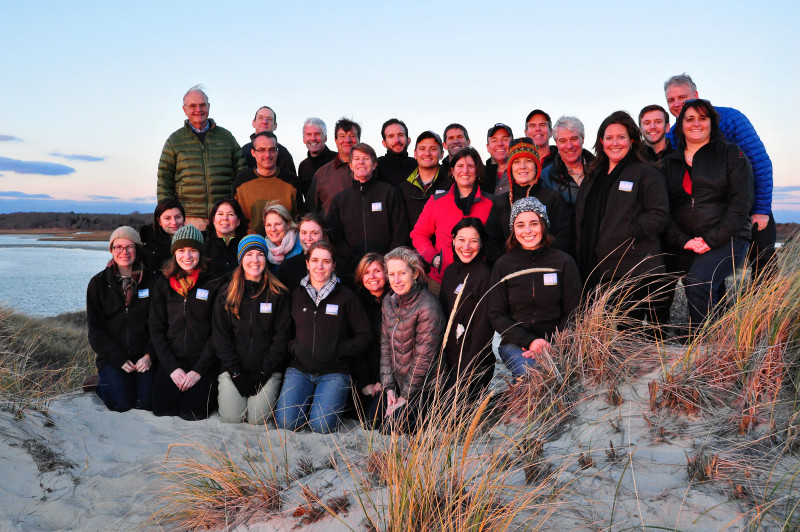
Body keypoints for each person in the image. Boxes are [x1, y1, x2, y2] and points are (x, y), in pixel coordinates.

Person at [663, 73, 775, 285]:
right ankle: (721, 317)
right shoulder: (674, 135)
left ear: (696, 94)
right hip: (709, 215)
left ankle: (765, 316)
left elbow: (759, 162)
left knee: (763, 262)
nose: (677, 103)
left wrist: (760, 209)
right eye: (671, 100)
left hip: (746, 206)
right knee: (711, 275)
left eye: (683, 97)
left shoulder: (730, 118)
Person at [662, 99, 753, 332]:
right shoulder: (669, 162)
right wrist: (684, 240)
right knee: (706, 286)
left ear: (712, 122)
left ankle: (704, 347)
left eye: (703, 118)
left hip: (728, 237)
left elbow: (740, 204)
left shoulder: (732, 154)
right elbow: (663, 210)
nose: (696, 124)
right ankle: (722, 338)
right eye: (690, 119)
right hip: (687, 240)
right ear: (680, 125)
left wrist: (710, 240)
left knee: (699, 282)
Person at [574, 111, 669, 324]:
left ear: (632, 140)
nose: (614, 143)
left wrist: (629, 233)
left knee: (628, 336)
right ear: (601, 141)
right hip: (596, 269)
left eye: (621, 137)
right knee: (603, 336)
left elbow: (659, 214)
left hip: (634, 269)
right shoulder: (593, 175)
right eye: (609, 138)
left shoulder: (645, 172)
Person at [275, 241, 372, 434]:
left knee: (321, 426)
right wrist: (296, 348)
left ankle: (323, 402)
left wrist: (337, 350)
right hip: (299, 370)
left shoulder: (346, 297)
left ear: (333, 265)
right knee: (286, 423)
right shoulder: (295, 296)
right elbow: (283, 332)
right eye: (315, 261)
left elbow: (365, 335)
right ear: (307, 264)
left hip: (334, 372)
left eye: (326, 261)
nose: (320, 267)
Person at [488, 198, 581, 378]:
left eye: (534, 223)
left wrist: (552, 344)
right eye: (520, 225)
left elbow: (573, 311)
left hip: (559, 342)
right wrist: (530, 342)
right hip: (515, 344)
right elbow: (496, 315)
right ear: (513, 230)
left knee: (553, 376)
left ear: (544, 226)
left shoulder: (563, 262)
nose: (528, 231)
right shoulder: (503, 265)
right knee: (534, 375)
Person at [213, 235, 290, 425]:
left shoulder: (278, 293)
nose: (254, 260)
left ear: (266, 258)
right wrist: (236, 373)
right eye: (249, 254)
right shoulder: (226, 293)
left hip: (266, 370)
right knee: (232, 418)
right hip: (234, 370)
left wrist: (264, 372)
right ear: (241, 259)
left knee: (258, 419)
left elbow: (282, 337)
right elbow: (220, 337)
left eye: (259, 254)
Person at [149, 225, 221, 420]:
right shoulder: (163, 284)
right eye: (181, 250)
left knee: (193, 413)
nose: (187, 256)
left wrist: (198, 371)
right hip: (172, 361)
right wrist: (172, 369)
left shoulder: (213, 283)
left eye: (193, 250)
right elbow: (156, 330)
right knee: (162, 409)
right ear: (174, 253)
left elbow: (218, 332)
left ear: (200, 252)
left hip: (203, 363)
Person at [86, 227, 156, 412]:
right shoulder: (98, 283)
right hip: (113, 358)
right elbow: (95, 330)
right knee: (120, 404)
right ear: (111, 250)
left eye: (130, 247)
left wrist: (149, 355)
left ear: (137, 249)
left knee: (146, 403)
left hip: (144, 358)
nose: (124, 252)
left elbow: (159, 324)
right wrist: (118, 359)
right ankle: (98, 384)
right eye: (118, 247)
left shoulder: (152, 281)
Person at [157, 86, 246, 230]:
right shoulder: (174, 141)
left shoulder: (227, 137)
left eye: (202, 105)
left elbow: (242, 175)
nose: (198, 109)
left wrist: (235, 208)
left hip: (224, 220)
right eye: (193, 106)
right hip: (189, 220)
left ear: (209, 107)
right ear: (184, 109)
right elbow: (164, 181)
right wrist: (168, 214)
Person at [410, 147, 495, 295]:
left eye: (471, 166)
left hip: (480, 280)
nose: (465, 171)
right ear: (452, 170)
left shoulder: (491, 203)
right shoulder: (437, 201)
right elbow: (418, 234)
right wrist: (434, 257)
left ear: (478, 170)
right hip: (441, 279)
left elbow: (497, 241)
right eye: (460, 166)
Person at [378, 247, 445, 432]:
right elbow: (385, 345)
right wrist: (389, 387)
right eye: (392, 274)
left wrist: (404, 397)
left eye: (402, 273)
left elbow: (423, 359)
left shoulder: (428, 306)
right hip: (398, 383)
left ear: (414, 273)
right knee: (371, 421)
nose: (397, 280)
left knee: (389, 428)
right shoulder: (388, 301)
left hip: (425, 389)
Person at [327, 143, 409, 281]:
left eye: (366, 158)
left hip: (386, 270)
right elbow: (335, 237)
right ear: (351, 165)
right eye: (357, 159)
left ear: (374, 164)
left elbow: (401, 232)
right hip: (352, 271)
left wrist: (387, 261)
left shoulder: (389, 193)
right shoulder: (340, 200)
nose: (361, 162)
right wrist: (355, 260)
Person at [485, 137, 572, 261]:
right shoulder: (501, 203)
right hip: (511, 271)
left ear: (536, 166)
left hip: (546, 270)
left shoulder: (553, 199)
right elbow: (492, 242)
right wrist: (506, 265)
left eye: (528, 160)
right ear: (510, 168)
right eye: (516, 162)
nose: (523, 167)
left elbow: (563, 239)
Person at [439, 218, 495, 400]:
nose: (466, 246)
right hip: (448, 362)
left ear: (481, 243)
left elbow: (483, 331)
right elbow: (443, 316)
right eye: (462, 239)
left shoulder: (484, 276)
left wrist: (465, 374)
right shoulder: (449, 272)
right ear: (453, 240)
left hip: (472, 364)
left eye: (474, 241)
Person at [234, 131, 301, 234]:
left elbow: (298, 218)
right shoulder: (242, 180)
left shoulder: (291, 181)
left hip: (285, 244)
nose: (267, 154)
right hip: (251, 244)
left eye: (272, 150)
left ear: (277, 152)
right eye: (261, 150)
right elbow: (234, 216)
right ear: (253, 152)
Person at [353, 253, 389, 422]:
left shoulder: (396, 301)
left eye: (377, 271)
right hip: (365, 375)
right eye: (367, 272)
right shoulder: (356, 303)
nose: (372, 277)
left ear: (386, 274)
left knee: (374, 420)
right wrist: (365, 382)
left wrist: (383, 381)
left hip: (389, 377)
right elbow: (357, 347)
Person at [540, 116, 595, 213]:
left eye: (574, 139)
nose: (569, 146)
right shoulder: (546, 177)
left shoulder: (601, 170)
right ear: (556, 143)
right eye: (563, 141)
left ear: (583, 139)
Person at [308, 118, 361, 215]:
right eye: (342, 136)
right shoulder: (321, 174)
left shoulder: (371, 170)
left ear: (359, 140)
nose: (347, 140)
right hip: (331, 229)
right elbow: (311, 212)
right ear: (336, 141)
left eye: (352, 136)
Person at [398, 131, 450, 227]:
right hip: (411, 241)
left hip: (442, 242)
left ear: (442, 154)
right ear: (415, 154)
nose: (427, 153)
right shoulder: (403, 189)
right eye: (422, 149)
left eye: (433, 149)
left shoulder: (451, 185)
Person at [276, 212, 330, 292]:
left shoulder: (337, 266)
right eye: (304, 233)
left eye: (314, 233)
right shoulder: (287, 267)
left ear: (324, 236)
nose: (308, 238)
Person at [240, 106, 297, 175]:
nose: (264, 122)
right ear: (253, 123)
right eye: (261, 118)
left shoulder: (284, 154)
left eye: (269, 119)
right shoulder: (244, 151)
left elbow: (292, 182)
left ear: (275, 126)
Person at [204, 197, 247, 281]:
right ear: (213, 219)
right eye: (220, 214)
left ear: (238, 221)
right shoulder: (203, 242)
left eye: (230, 214)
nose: (225, 218)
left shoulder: (246, 245)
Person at [140, 198, 185, 276]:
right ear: (159, 221)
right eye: (167, 218)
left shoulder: (194, 240)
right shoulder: (150, 247)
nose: (174, 222)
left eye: (178, 217)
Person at [297, 118, 337, 201]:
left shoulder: (337, 160)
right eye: (309, 134)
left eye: (317, 134)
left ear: (325, 138)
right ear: (304, 139)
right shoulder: (303, 166)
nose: (313, 138)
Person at [262, 202, 303, 273]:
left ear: (288, 224)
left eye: (277, 224)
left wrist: (286, 259)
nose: (273, 229)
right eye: (268, 225)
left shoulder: (303, 245)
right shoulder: (262, 248)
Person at [376, 118, 418, 187]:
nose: (397, 140)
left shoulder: (418, 166)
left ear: (408, 140)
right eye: (391, 136)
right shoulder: (376, 167)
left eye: (400, 135)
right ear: (384, 143)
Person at [484, 123, 512, 195]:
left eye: (505, 139)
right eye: (494, 140)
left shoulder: (522, 173)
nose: (500, 144)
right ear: (488, 147)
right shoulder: (480, 176)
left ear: (513, 145)